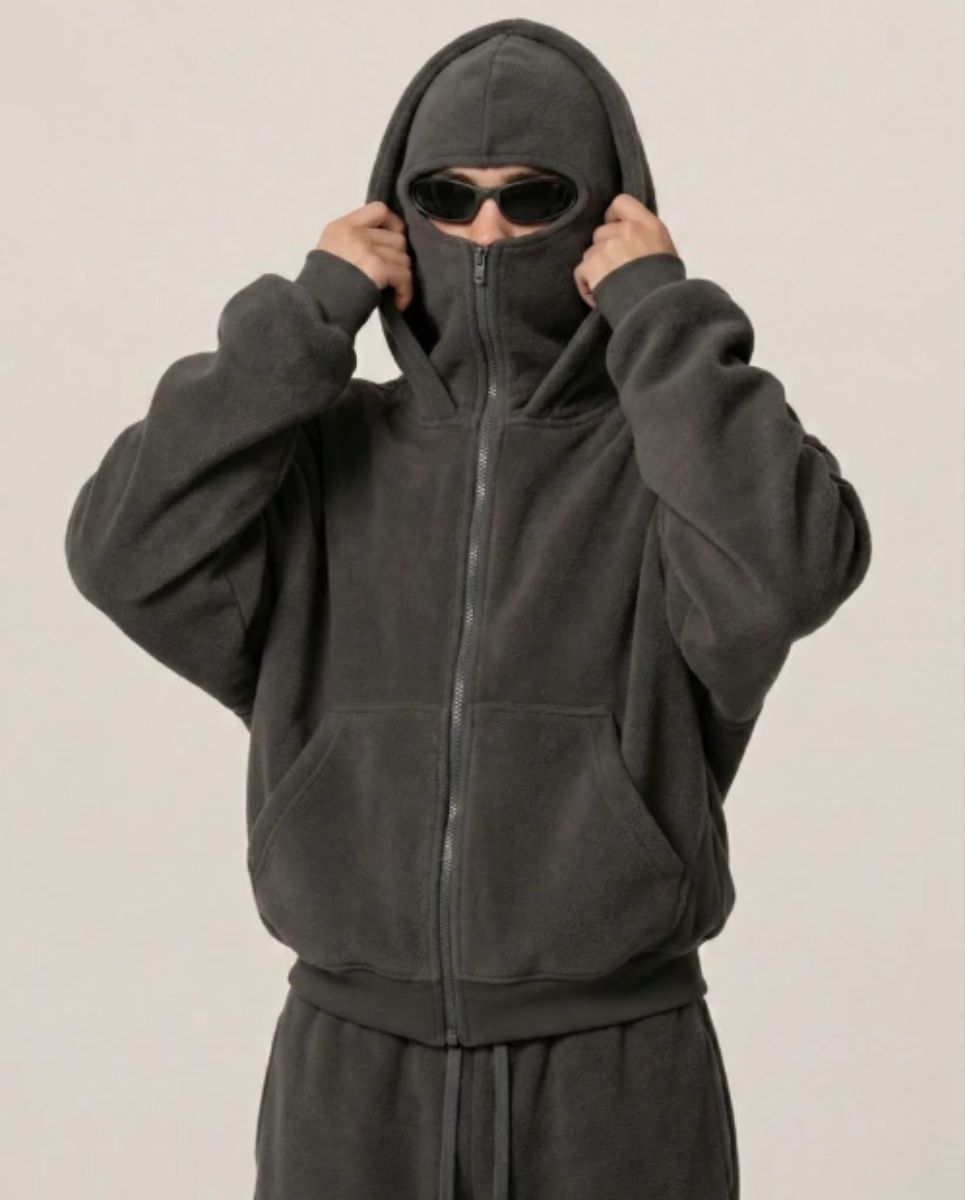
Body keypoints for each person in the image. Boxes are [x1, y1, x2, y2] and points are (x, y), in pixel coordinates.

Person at [63, 16, 872, 1200]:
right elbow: (121, 550)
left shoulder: (665, 463)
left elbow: (794, 564)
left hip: (615, 1077)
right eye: (446, 198)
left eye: (532, 197)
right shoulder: (321, 459)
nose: (486, 234)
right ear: (395, 215)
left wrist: (660, 314)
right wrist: (308, 314)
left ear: (605, 217)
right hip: (349, 1079)